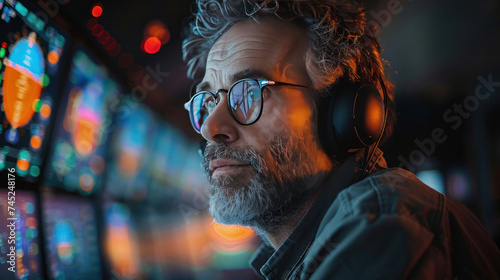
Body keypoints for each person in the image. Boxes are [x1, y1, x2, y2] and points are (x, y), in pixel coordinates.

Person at [182, 0, 500, 279]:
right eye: (208, 100)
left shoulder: (381, 220)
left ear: (344, 115)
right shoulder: (323, 244)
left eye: (250, 93)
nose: (211, 127)